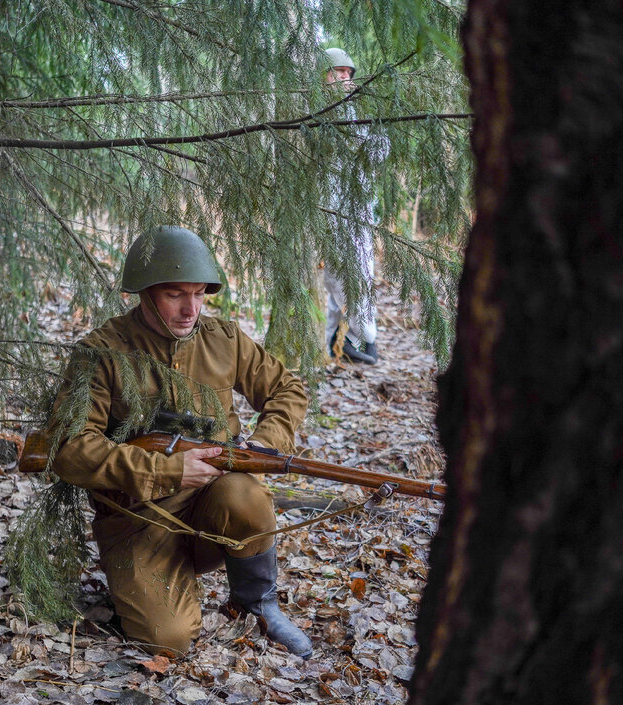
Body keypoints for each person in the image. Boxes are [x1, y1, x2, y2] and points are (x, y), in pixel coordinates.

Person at [48, 225, 313, 658]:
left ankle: (257, 600)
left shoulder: (223, 339)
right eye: (175, 294)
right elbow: (71, 448)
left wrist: (267, 441)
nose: (191, 309)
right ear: (144, 292)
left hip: (213, 503)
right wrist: (168, 469)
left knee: (247, 497)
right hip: (138, 515)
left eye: (199, 294)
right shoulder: (102, 353)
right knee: (167, 640)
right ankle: (157, 583)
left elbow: (288, 388)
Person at [321, 46, 388, 366]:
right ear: (324, 77)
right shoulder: (316, 112)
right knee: (336, 275)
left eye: (348, 73)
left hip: (358, 207)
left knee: (359, 272)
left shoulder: (359, 109)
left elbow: (377, 153)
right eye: (338, 72)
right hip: (330, 207)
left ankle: (356, 340)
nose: (345, 78)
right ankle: (350, 339)